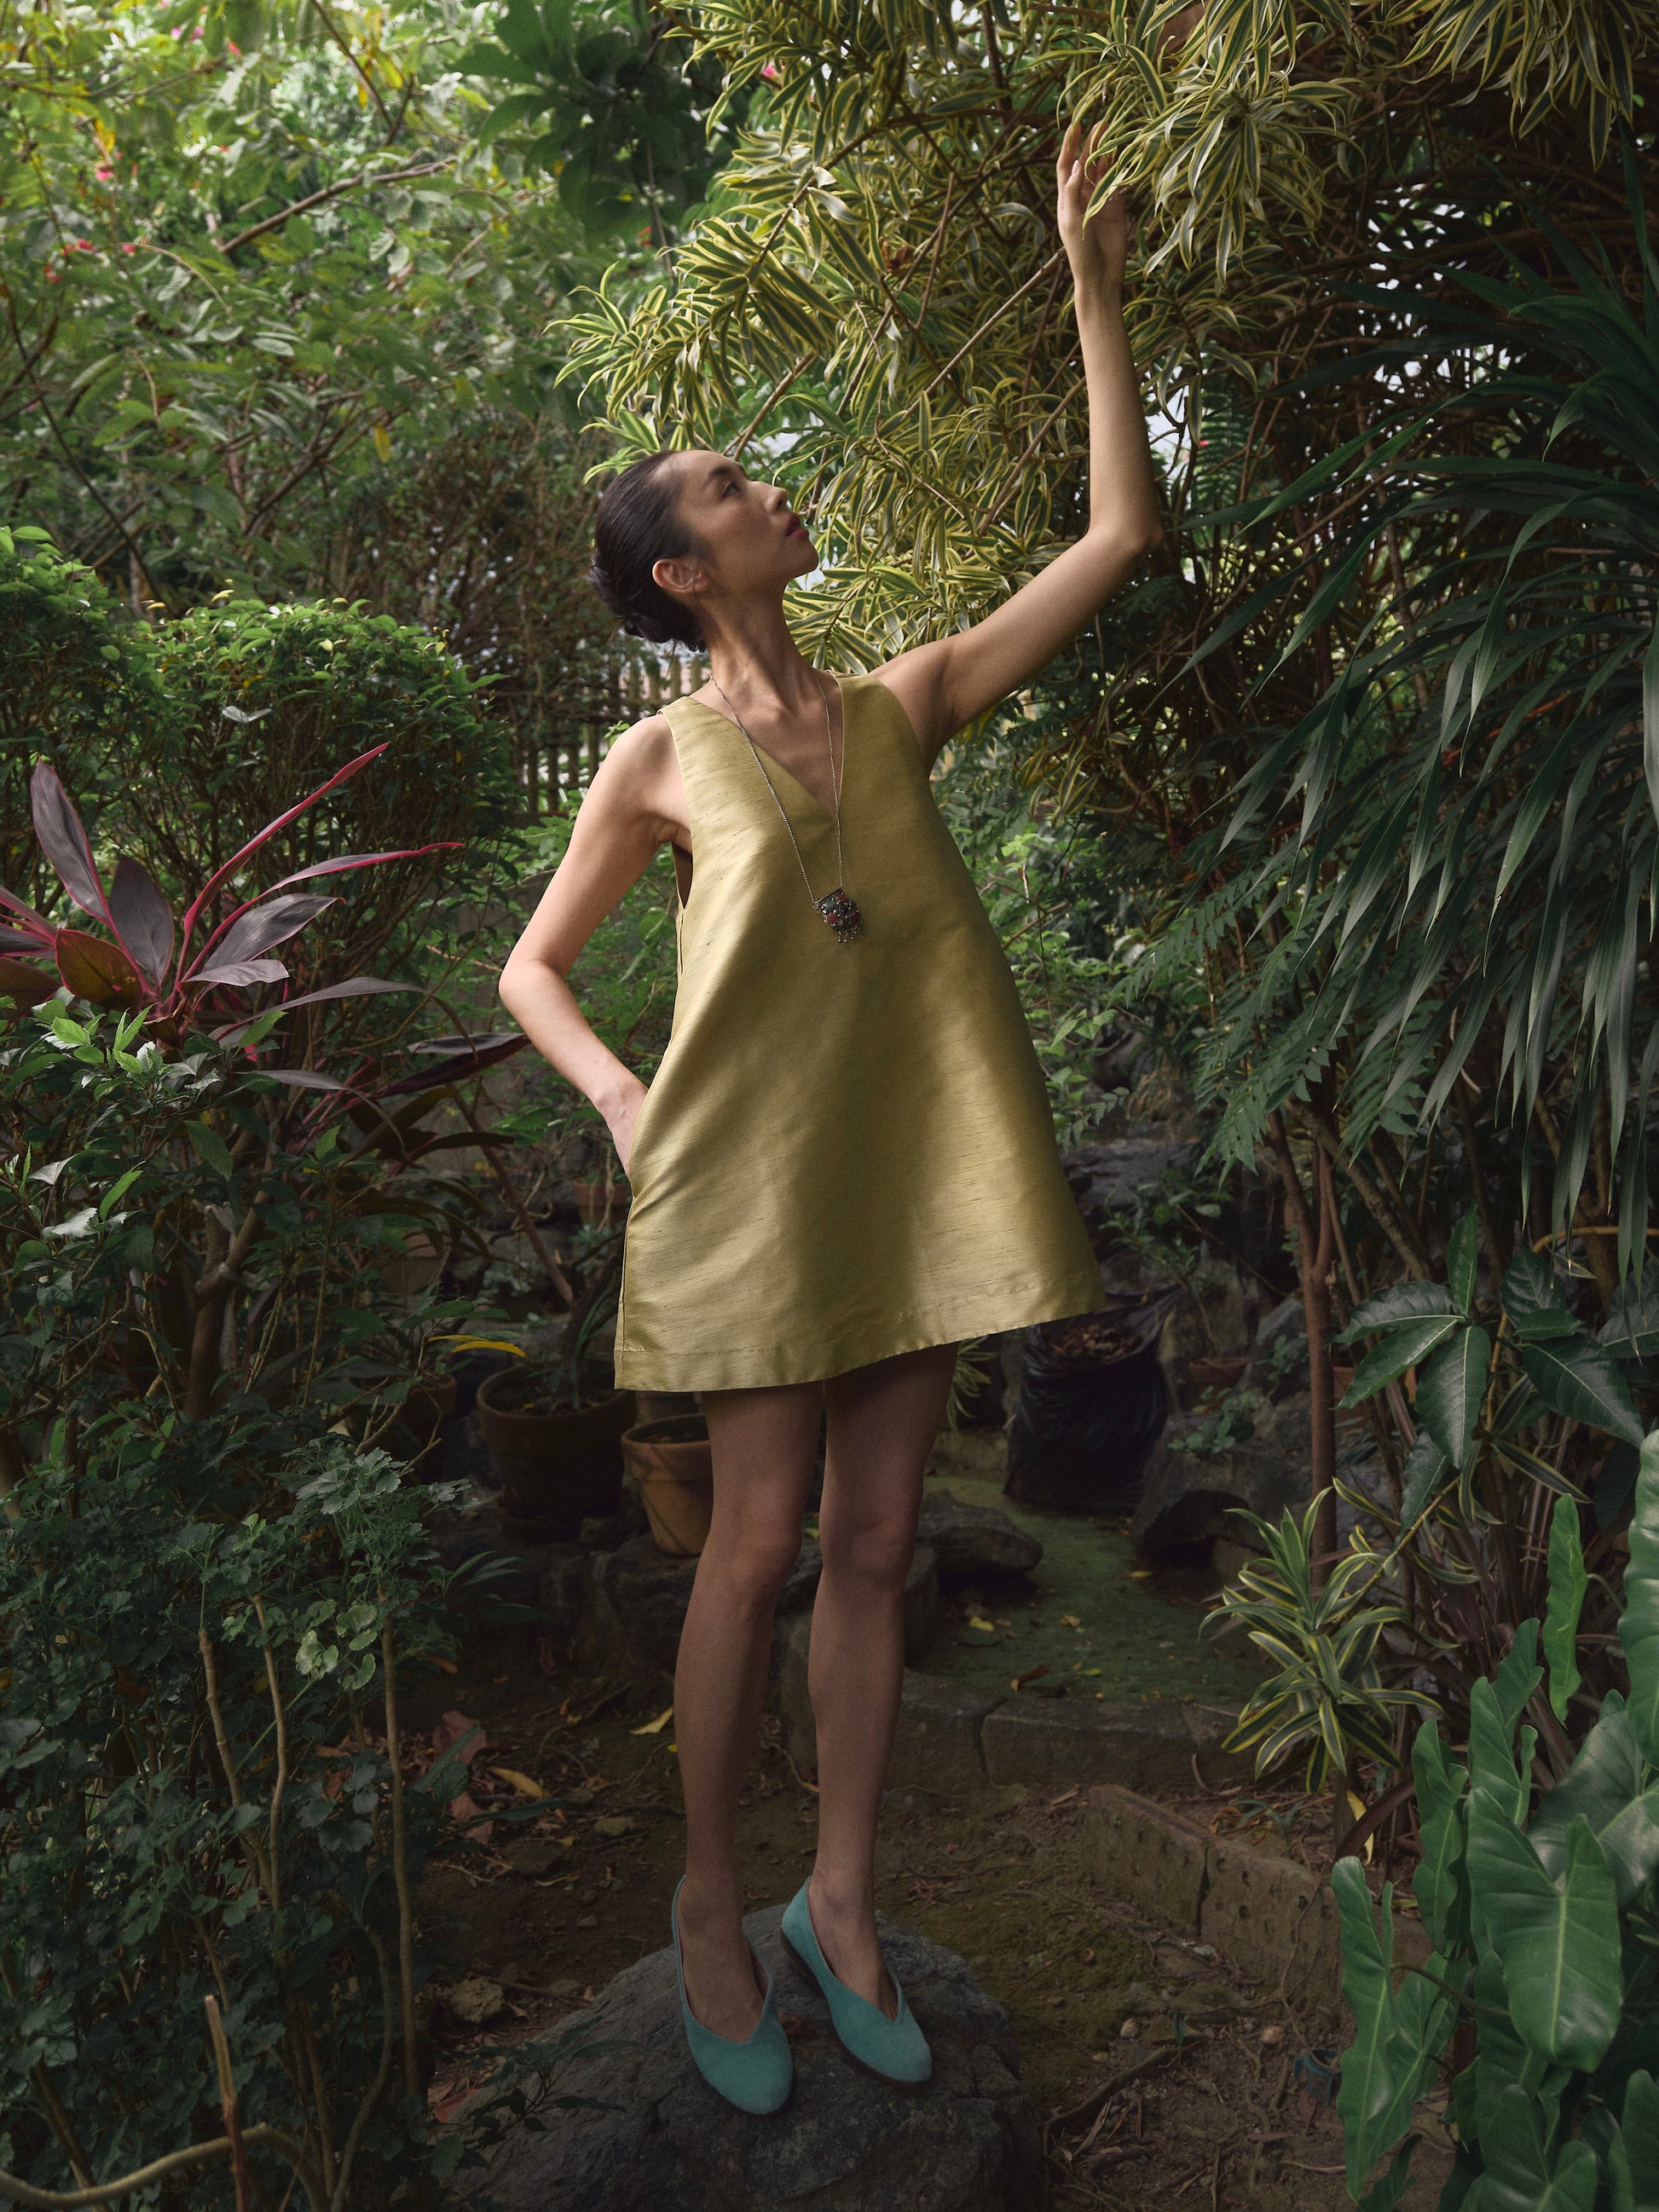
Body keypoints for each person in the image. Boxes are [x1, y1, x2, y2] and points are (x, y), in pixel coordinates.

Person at [498, 119, 1162, 2114]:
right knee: (749, 1544)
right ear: (680, 571)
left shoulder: (905, 700)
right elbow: (532, 970)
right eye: (730, 486)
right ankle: (711, 1896)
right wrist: (623, 1098)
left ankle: (842, 1897)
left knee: (876, 1537)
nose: (770, 486)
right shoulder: (656, 754)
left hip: (902, 1177)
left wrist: (1092, 290)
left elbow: (1117, 536)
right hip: (740, 1188)